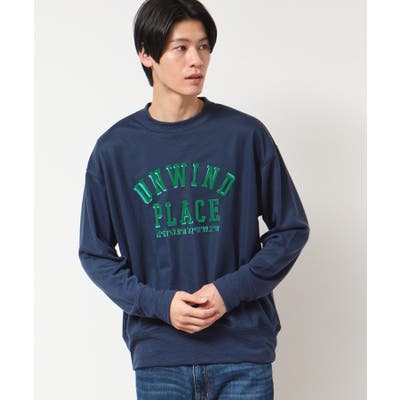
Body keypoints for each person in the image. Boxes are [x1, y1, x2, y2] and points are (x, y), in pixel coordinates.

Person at [78, 0, 310, 398]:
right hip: (160, 357)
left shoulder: (244, 136)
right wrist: (159, 304)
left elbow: (291, 229)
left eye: (203, 47)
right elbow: (94, 252)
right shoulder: (114, 151)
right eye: (180, 47)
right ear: (146, 53)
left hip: (242, 353)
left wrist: (229, 291)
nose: (196, 60)